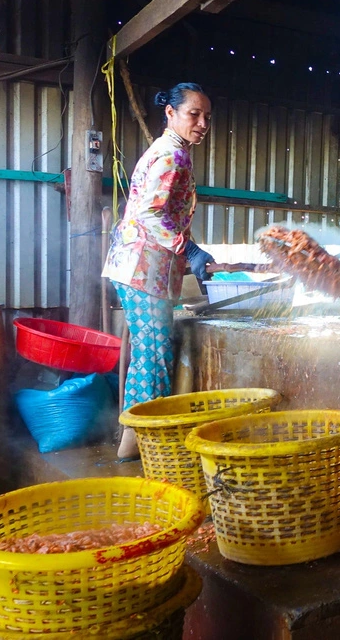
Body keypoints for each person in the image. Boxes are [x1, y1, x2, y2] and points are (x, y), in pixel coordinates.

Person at [103, 82, 212, 457]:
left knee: (151, 356)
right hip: (143, 269)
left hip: (141, 267)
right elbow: (150, 214)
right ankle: (141, 446)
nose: (201, 123)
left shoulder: (172, 150)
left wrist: (189, 252)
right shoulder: (172, 154)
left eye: (206, 117)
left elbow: (164, 211)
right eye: (193, 114)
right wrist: (190, 249)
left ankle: (131, 444)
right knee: (154, 358)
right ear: (170, 113)